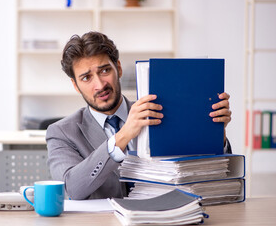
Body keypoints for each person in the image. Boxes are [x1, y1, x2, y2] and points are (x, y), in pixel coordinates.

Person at [46, 31, 232, 200]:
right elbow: (73, 188)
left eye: (105, 70)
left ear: (118, 68)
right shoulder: (61, 133)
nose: (100, 85)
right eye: (86, 77)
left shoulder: (160, 111)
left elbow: (210, 175)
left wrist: (215, 134)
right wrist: (123, 135)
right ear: (75, 85)